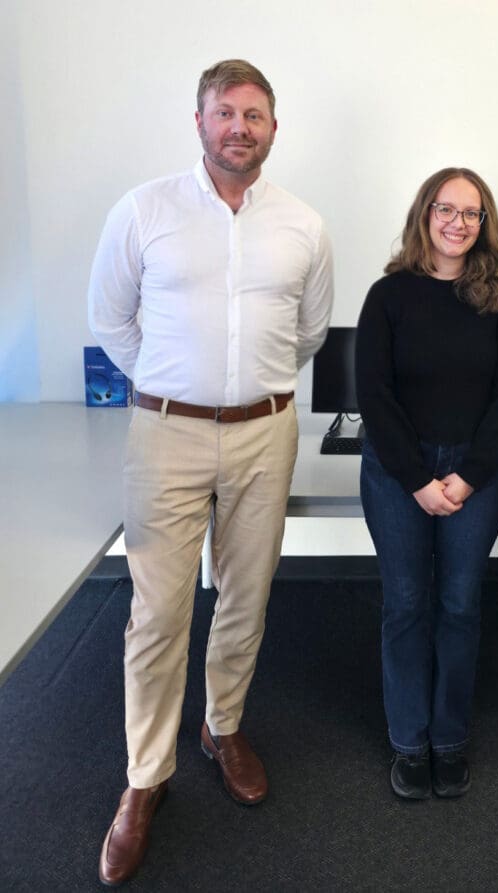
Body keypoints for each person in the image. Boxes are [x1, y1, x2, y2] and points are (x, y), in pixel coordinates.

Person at [88, 59, 333, 885]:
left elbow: (308, 334)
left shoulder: (302, 223)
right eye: (224, 112)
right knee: (157, 613)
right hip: (166, 434)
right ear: (198, 122)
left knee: (246, 594)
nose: (239, 127)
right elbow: (110, 320)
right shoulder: (145, 210)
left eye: (254, 114)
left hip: (267, 432)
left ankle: (222, 725)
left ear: (273, 127)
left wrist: (242, 393)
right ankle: (144, 777)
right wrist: (172, 388)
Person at [355, 168, 498, 800]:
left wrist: (468, 475)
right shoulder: (388, 296)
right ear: (424, 214)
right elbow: (373, 396)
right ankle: (408, 740)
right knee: (406, 604)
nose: (458, 222)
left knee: (459, 605)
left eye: (471, 213)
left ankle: (449, 739)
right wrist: (418, 479)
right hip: (398, 473)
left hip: (475, 472)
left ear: (485, 224)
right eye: (446, 209)